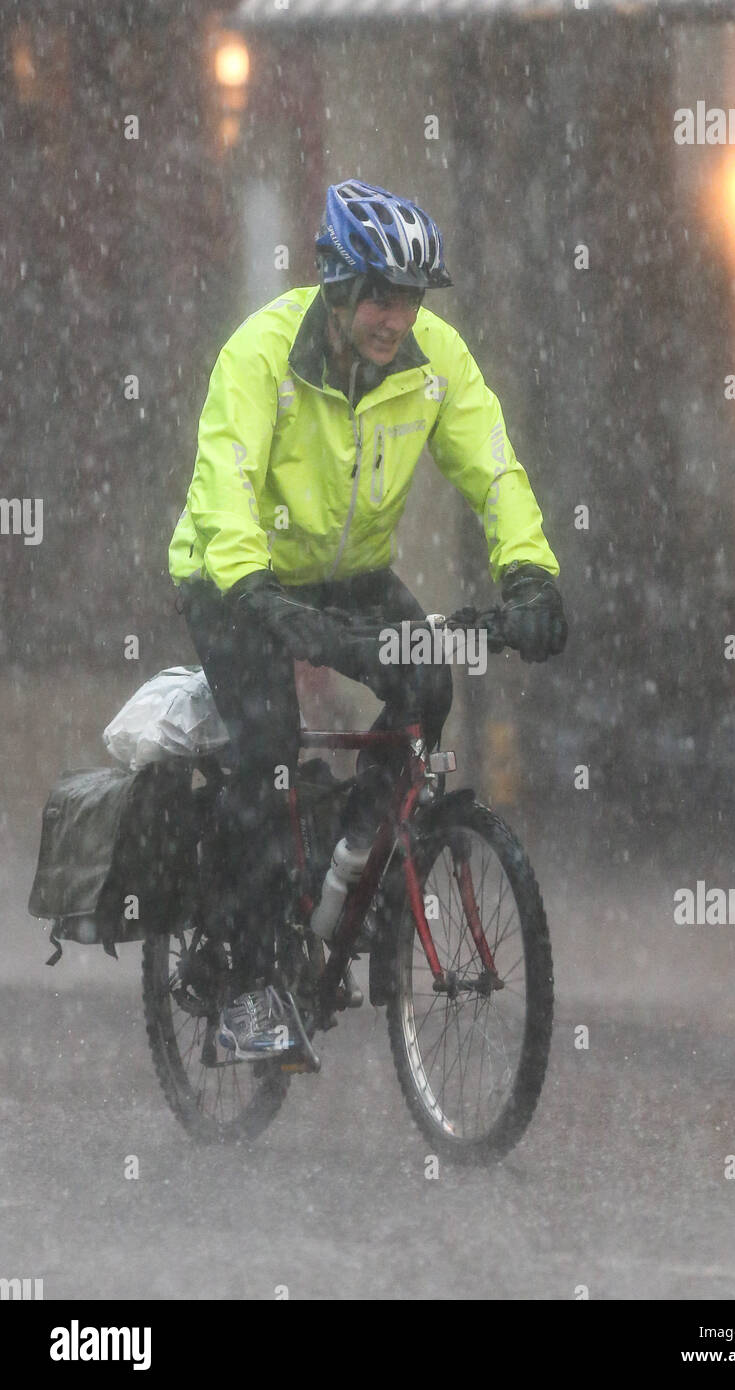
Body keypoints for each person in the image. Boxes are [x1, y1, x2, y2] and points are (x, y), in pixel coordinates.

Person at [168, 178, 566, 1059]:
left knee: (429, 680)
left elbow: (493, 469)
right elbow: (224, 482)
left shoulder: (435, 361)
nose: (396, 318)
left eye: (411, 299)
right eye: (380, 296)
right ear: (337, 286)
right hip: (237, 578)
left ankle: (350, 861)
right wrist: (260, 597)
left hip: (348, 577)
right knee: (267, 744)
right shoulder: (260, 355)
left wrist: (531, 572)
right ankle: (238, 977)